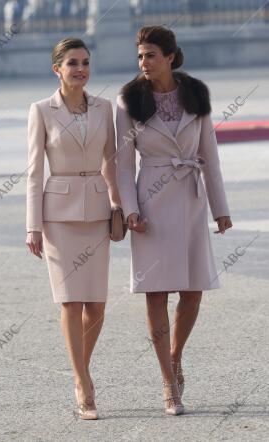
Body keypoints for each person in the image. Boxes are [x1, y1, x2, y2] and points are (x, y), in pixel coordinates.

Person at [116, 25, 232, 416]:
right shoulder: (129, 99)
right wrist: (130, 208)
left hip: (191, 197)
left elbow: (210, 156)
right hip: (150, 202)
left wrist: (221, 209)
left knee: (193, 291)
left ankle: (175, 355)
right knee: (156, 292)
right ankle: (168, 382)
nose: (143, 63)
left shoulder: (196, 94)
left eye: (150, 55)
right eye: (139, 56)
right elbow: (121, 163)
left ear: (169, 56)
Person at [26, 37, 121, 420]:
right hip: (58, 216)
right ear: (57, 70)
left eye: (85, 62)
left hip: (98, 211)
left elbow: (112, 163)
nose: (81, 69)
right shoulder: (41, 110)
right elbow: (34, 172)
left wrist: (120, 205)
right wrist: (32, 226)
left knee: (96, 305)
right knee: (71, 302)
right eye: (72, 63)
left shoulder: (105, 108)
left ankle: (79, 368)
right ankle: (83, 383)